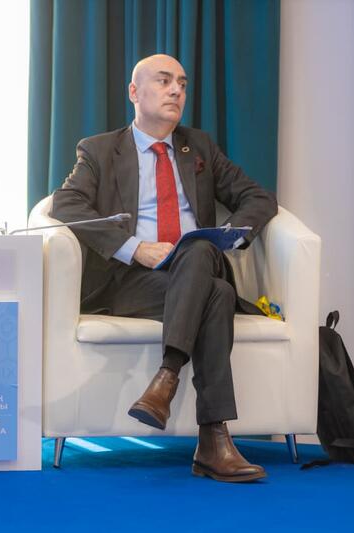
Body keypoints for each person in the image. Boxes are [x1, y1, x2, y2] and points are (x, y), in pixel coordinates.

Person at [51, 54, 277, 482]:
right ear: (134, 92)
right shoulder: (99, 150)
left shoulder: (200, 147)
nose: (176, 90)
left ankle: (166, 378)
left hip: (197, 263)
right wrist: (134, 248)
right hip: (132, 281)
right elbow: (66, 204)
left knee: (198, 250)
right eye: (164, 80)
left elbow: (259, 198)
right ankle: (212, 442)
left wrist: (228, 236)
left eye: (182, 83)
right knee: (218, 294)